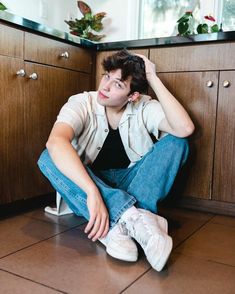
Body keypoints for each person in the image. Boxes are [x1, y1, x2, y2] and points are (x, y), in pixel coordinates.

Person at [38, 49, 194, 272]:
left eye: (118, 84)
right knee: (48, 156)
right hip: (91, 182)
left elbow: (185, 128)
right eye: (106, 76)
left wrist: (153, 77)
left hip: (131, 182)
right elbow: (56, 142)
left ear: (133, 96)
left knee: (178, 142)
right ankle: (133, 218)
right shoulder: (82, 102)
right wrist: (92, 191)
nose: (105, 87)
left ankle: (119, 224)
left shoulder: (143, 106)